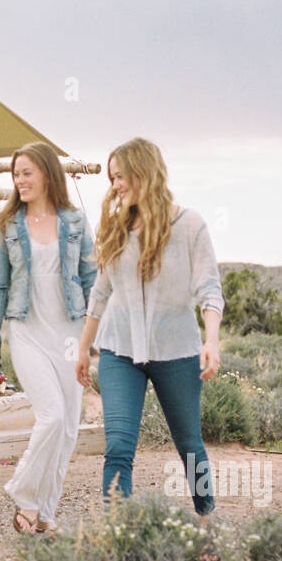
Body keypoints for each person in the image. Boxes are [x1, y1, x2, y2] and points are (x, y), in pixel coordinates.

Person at [74, 137, 223, 517]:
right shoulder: (116, 227)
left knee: (189, 444)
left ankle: (206, 515)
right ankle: (118, 532)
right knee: (119, 445)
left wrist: (212, 342)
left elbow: (209, 289)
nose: (116, 186)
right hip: (119, 351)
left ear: (145, 171)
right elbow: (100, 292)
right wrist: (83, 349)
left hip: (176, 351)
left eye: (121, 176)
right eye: (112, 179)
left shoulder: (189, 225)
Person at [0, 142, 97, 535]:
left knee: (68, 428)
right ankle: (25, 496)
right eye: (16, 174)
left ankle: (45, 511)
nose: (20, 180)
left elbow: (93, 279)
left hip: (70, 334)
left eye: (27, 172)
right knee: (52, 416)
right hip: (26, 330)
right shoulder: (6, 225)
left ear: (47, 174)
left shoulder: (76, 222)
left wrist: (97, 337)